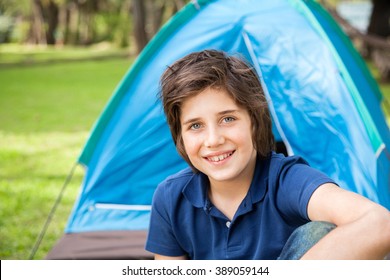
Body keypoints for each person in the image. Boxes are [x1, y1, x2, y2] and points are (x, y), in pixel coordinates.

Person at [145, 49, 390, 260]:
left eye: (227, 119)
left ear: (254, 121)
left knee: (320, 232)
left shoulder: (288, 180)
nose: (213, 140)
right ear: (180, 135)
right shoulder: (170, 198)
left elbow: (381, 223)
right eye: (195, 126)